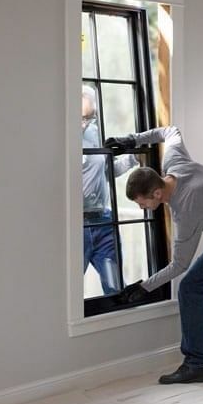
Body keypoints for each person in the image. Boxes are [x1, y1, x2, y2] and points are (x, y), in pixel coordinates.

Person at [105, 126, 203, 384]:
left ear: (157, 193)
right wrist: (132, 140)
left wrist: (144, 287)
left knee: (191, 287)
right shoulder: (173, 162)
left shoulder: (186, 207)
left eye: (141, 202)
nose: (141, 207)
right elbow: (170, 131)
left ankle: (197, 364)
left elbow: (180, 264)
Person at [82, 85, 137, 295]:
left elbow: (106, 171)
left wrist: (133, 158)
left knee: (115, 289)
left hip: (104, 222)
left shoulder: (95, 133)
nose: (86, 123)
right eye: (82, 118)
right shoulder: (61, 139)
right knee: (66, 293)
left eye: (91, 117)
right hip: (75, 226)